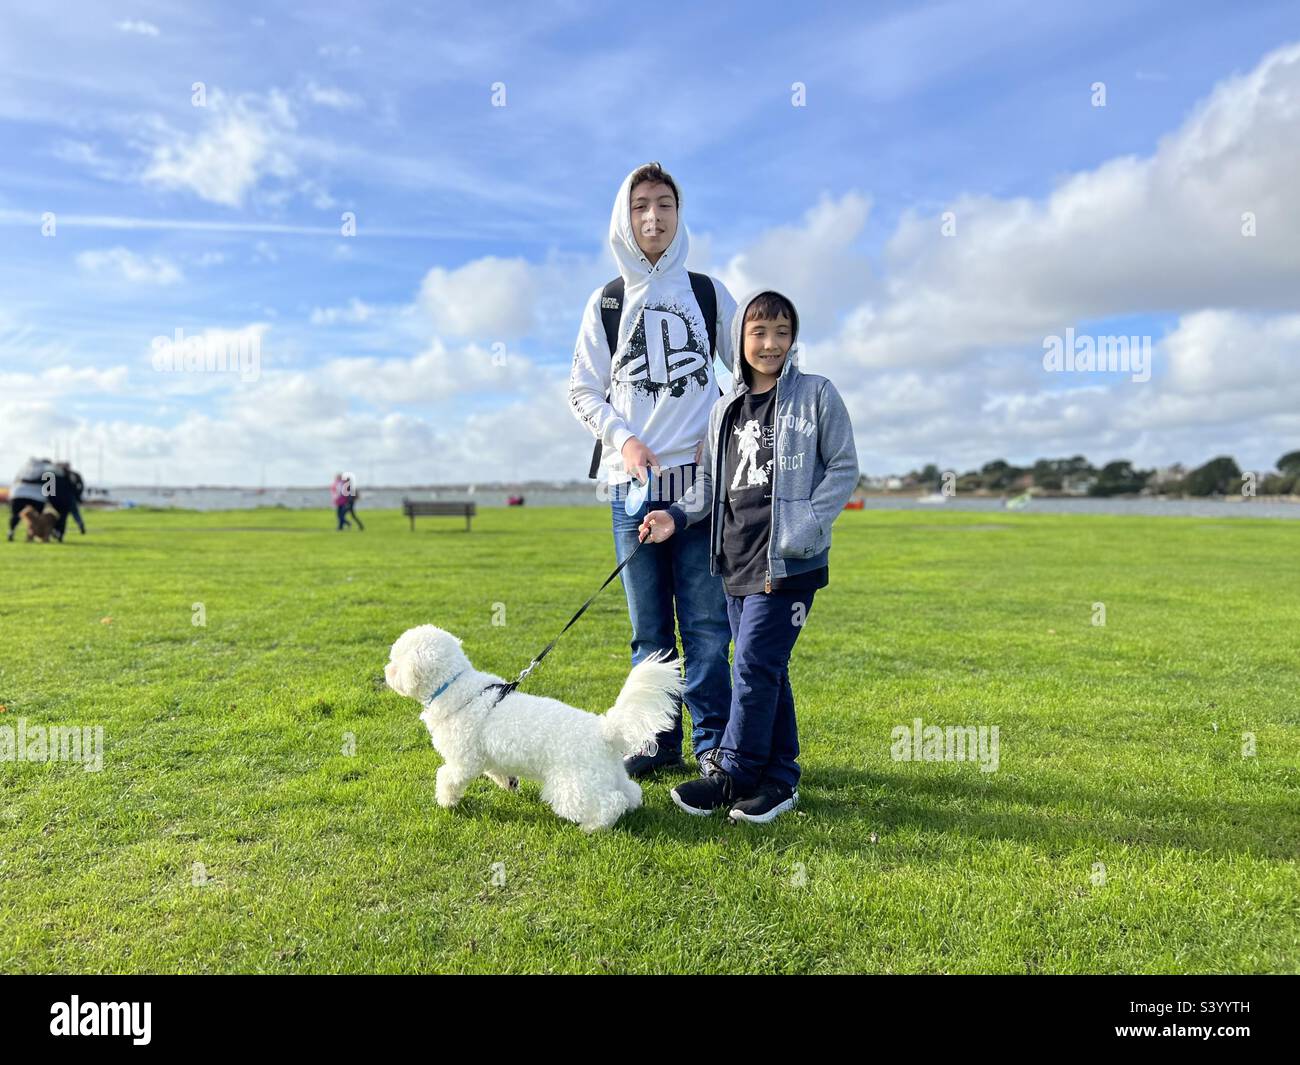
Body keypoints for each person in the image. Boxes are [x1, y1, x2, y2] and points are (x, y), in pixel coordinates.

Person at [640, 290, 859, 823]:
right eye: (759, 332)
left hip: (788, 562)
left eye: (782, 332)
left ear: (793, 338)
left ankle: (732, 773)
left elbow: (844, 468)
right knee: (767, 667)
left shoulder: (816, 394)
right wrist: (675, 516)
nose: (771, 343)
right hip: (735, 561)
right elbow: (710, 485)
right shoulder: (722, 410)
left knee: (754, 664)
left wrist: (806, 523)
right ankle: (781, 779)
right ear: (739, 340)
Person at [568, 162, 737, 778]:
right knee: (649, 633)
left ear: (678, 212)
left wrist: (717, 432)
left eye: (665, 204)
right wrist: (626, 439)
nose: (654, 217)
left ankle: (713, 742)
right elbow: (583, 391)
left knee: (707, 626)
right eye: (641, 205)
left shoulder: (708, 293)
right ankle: (655, 740)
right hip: (629, 491)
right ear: (624, 215)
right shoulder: (607, 301)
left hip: (698, 494)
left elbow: (750, 373)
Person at [7, 457, 59, 542]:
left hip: (18, 492)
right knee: (38, 518)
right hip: (37, 495)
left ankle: (11, 531)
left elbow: (15, 481)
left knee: (15, 515)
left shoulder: (24, 468)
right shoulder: (47, 469)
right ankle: (40, 534)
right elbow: (50, 487)